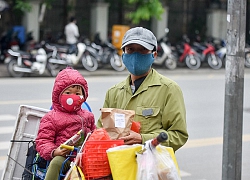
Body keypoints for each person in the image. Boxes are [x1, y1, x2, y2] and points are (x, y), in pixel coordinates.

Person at [96, 27, 188, 152]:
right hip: (117, 166)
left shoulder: (169, 89)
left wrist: (142, 139)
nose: (135, 55)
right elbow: (100, 132)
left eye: (143, 50)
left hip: (151, 167)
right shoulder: (114, 92)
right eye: (130, 50)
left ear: (154, 54)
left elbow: (178, 135)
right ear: (123, 55)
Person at [36, 67, 96, 180]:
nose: (73, 97)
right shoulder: (51, 118)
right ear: (58, 95)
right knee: (56, 163)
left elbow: (94, 134)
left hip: (85, 156)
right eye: (68, 93)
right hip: (65, 157)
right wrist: (54, 152)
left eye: (77, 93)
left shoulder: (88, 116)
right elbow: (43, 141)